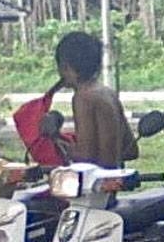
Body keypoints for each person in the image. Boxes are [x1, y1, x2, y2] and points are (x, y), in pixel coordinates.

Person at [55, 31, 138, 168]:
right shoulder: (108, 93)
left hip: (95, 182)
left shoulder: (82, 98)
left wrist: (60, 144)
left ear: (65, 67)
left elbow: (87, 156)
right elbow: (130, 150)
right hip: (112, 179)